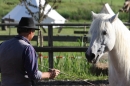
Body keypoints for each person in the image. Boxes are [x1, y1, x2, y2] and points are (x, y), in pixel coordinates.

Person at [0, 17, 60, 86]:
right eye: (34, 32)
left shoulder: (3, 45)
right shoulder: (27, 48)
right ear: (30, 32)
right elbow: (33, 75)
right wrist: (49, 74)